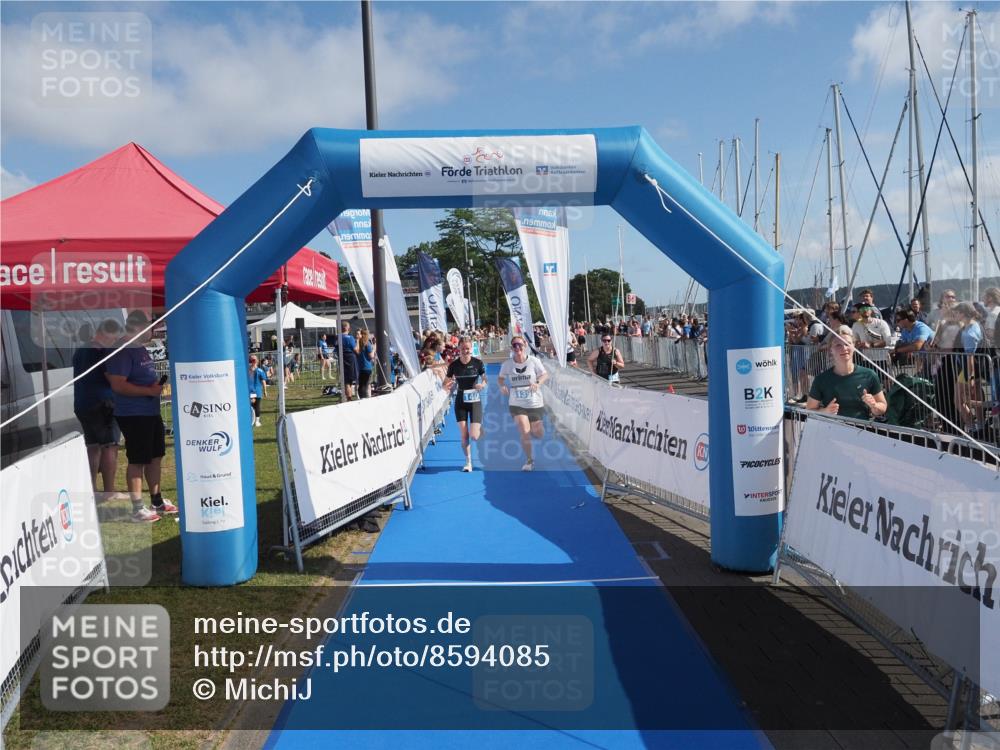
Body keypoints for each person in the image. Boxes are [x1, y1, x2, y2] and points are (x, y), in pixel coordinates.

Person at [106, 310, 177, 522]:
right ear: (139, 327)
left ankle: (157, 501)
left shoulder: (140, 348)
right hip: (133, 414)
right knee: (137, 459)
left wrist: (152, 388)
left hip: (150, 411)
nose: (154, 332)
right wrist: (148, 391)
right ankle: (137, 508)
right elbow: (118, 385)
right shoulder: (123, 349)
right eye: (151, 327)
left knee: (156, 456)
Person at [73, 319, 125, 501]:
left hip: (82, 404)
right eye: (114, 337)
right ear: (106, 334)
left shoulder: (80, 351)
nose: (115, 341)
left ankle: (92, 488)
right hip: (103, 404)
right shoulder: (101, 353)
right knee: (110, 446)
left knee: (93, 447)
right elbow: (112, 378)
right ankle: (109, 491)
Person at [806, 325, 887, 421]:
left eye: (847, 344)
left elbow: (882, 407)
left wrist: (874, 406)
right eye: (838, 345)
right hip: (832, 431)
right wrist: (825, 412)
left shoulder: (869, 375)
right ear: (830, 350)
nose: (844, 348)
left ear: (854, 346)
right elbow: (810, 410)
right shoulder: (821, 379)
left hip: (862, 431)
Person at [498, 335, 549, 471]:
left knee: (538, 433)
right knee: (524, 431)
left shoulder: (534, 361)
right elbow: (500, 378)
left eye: (520, 345)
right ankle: (529, 460)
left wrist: (538, 383)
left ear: (525, 345)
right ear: (512, 348)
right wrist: (502, 385)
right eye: (514, 345)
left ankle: (537, 430)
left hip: (534, 402)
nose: (517, 348)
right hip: (516, 403)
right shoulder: (507, 364)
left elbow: (545, 375)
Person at [443, 337, 487, 472]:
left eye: (467, 349)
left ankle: (480, 430)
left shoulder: (478, 363)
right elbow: (445, 382)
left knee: (474, 435)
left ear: (471, 349)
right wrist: (448, 385)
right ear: (459, 349)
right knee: (464, 435)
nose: (465, 351)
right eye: (463, 349)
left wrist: (482, 384)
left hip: (474, 400)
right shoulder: (454, 365)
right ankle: (468, 462)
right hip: (461, 400)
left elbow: (485, 379)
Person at [248, 354, 269, 427]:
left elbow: (263, 381)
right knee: (250, 406)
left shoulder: (260, 371)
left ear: (257, 361)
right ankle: (251, 420)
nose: (252, 362)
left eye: (253, 360)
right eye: (250, 360)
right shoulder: (247, 370)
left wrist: (265, 391)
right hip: (249, 391)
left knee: (256, 406)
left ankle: (257, 421)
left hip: (257, 391)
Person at [340, 322, 359, 401]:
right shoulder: (350, 338)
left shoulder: (338, 337)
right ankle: (349, 399)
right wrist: (357, 340)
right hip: (350, 360)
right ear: (347, 328)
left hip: (342, 360)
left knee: (347, 381)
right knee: (349, 381)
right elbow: (356, 350)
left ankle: (349, 397)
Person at [357, 329, 376, 399]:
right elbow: (371, 356)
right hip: (367, 367)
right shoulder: (367, 344)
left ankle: (364, 397)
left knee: (362, 385)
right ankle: (366, 398)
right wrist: (374, 349)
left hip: (361, 367)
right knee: (366, 385)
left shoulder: (359, 343)